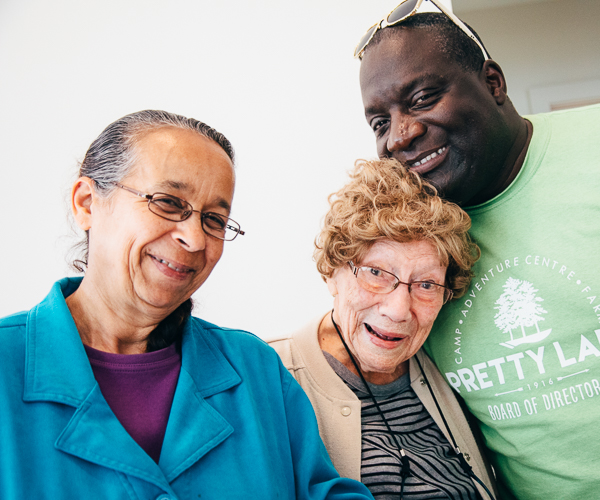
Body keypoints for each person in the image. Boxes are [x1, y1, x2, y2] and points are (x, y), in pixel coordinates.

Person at [354, 2, 600, 499]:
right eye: (378, 123)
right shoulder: (410, 260)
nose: (401, 134)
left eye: (423, 97)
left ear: (493, 83)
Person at [0, 110, 373, 499]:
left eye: (213, 219)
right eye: (168, 202)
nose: (194, 238)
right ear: (87, 204)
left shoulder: (254, 368)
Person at [269, 158, 506, 499]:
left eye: (426, 284)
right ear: (333, 271)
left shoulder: (448, 363)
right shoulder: (270, 375)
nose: (398, 310)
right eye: (376, 273)